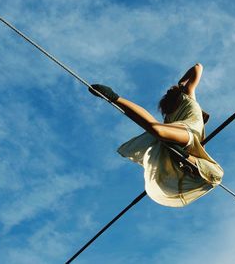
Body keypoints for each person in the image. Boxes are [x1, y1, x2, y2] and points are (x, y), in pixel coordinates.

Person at [89, 63, 223, 207]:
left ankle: (184, 159)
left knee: (216, 175)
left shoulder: (183, 100)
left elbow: (197, 67)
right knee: (157, 130)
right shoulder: (187, 96)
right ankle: (114, 97)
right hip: (186, 133)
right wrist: (182, 84)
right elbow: (198, 67)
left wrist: (181, 81)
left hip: (188, 146)